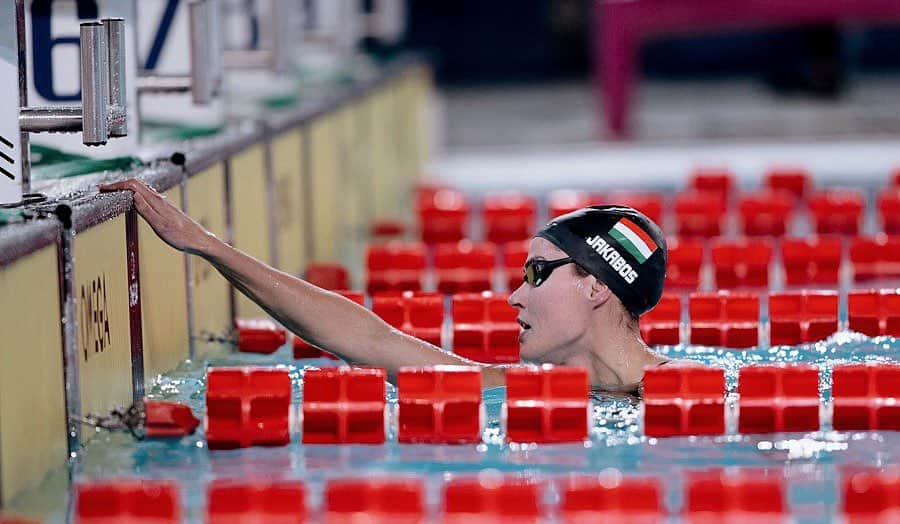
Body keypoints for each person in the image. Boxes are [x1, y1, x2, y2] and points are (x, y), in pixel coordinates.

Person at [100, 179, 671, 393]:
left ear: (598, 287)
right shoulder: (516, 390)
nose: (515, 295)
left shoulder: (710, 392)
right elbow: (369, 341)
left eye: (536, 273)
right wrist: (208, 245)